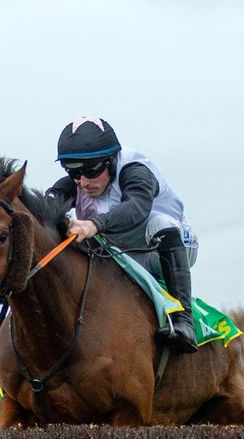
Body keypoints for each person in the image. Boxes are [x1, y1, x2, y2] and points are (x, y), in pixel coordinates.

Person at [45, 116, 200, 353]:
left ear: (110, 161)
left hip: (163, 249)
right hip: (126, 255)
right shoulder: (78, 182)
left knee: (159, 222)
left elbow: (137, 207)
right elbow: (47, 206)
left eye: (91, 171)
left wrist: (94, 224)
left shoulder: (135, 171)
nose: (83, 182)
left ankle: (184, 320)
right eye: (74, 172)